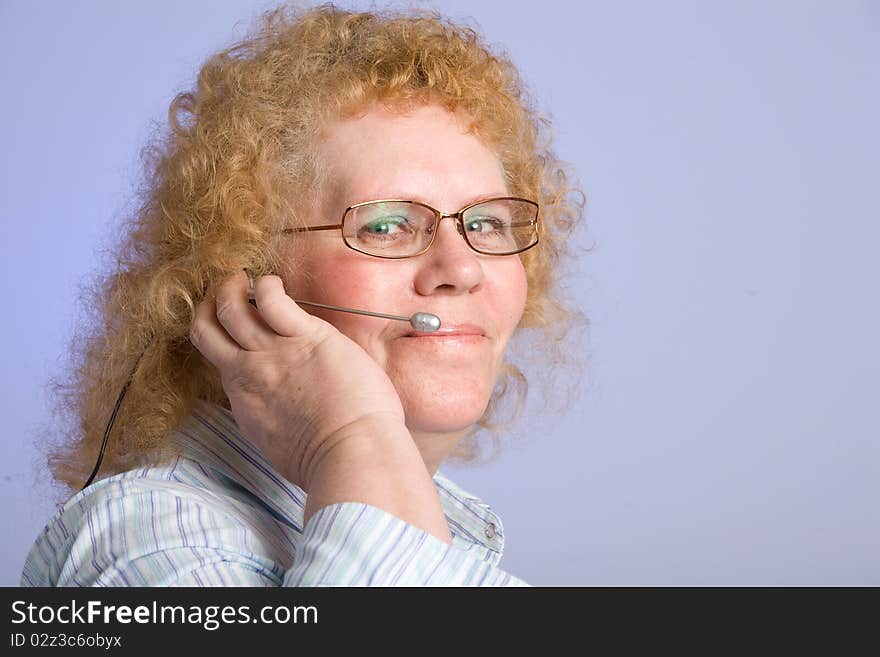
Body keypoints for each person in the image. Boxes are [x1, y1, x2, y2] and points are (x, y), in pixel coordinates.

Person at [21, 1, 584, 586]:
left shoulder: (447, 528)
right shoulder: (150, 546)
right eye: (387, 225)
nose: (462, 269)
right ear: (244, 283)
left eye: (488, 223)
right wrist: (353, 437)